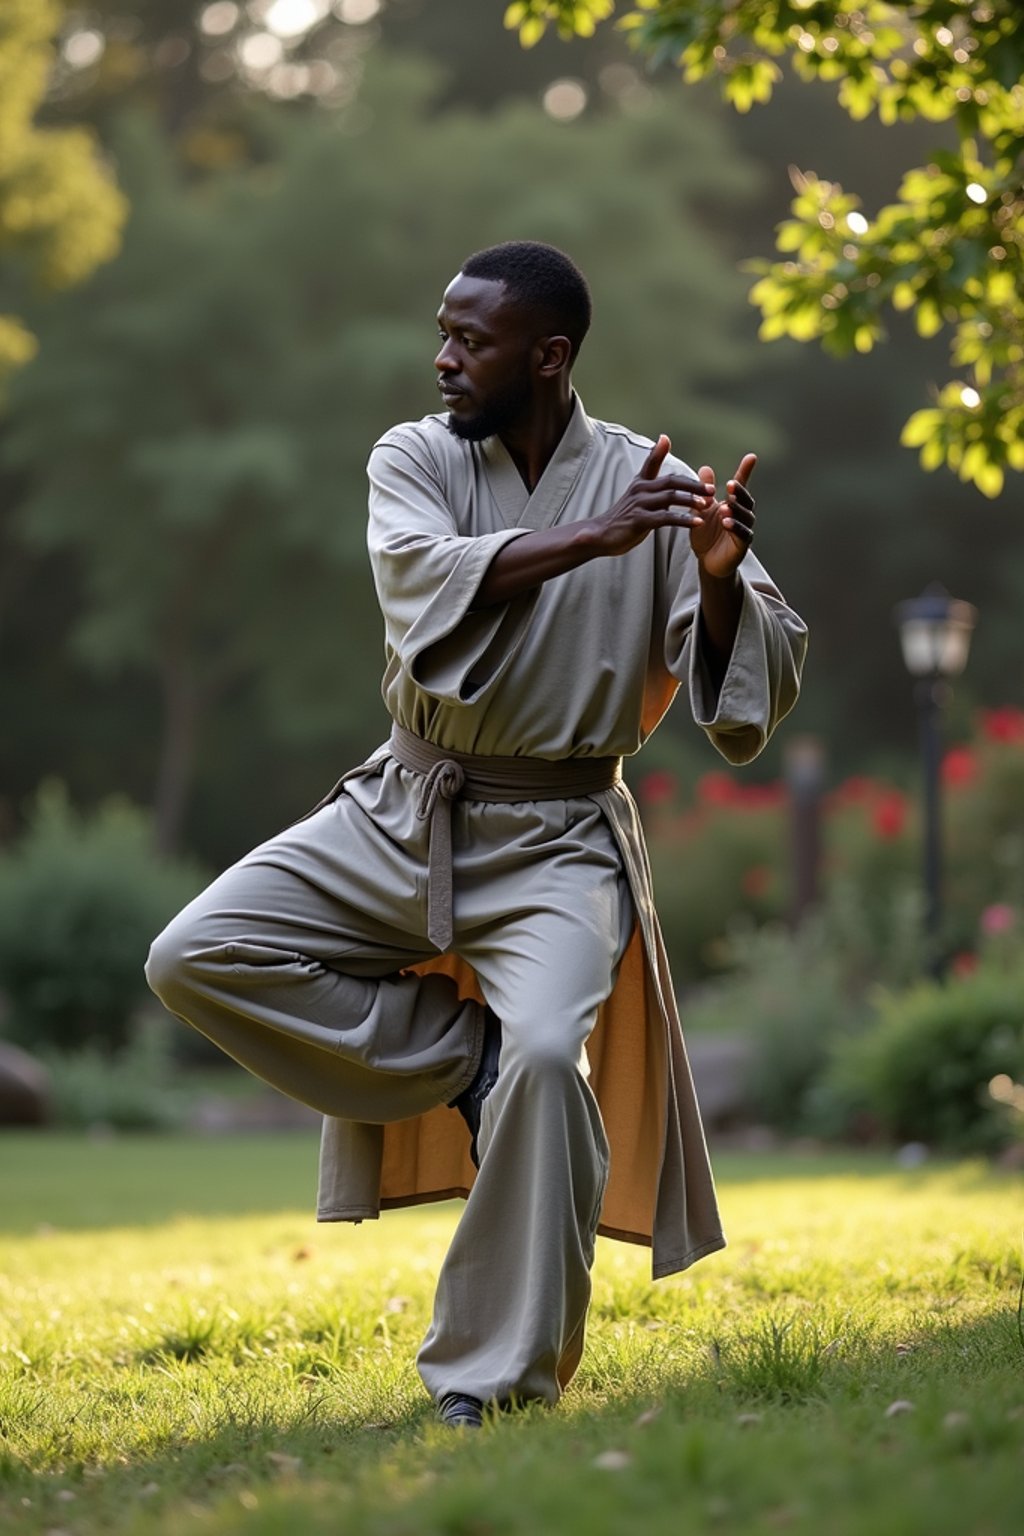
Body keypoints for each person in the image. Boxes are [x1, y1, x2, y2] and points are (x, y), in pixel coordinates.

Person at [146, 240, 807, 1429]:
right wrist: (597, 540)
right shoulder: (412, 455)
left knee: (552, 1059)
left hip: (560, 838)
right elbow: (419, 574)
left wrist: (711, 576)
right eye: (442, 332)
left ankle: (491, 1378)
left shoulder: (649, 483)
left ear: (547, 356)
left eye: (471, 340)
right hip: (407, 804)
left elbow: (746, 682)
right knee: (194, 955)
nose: (443, 358)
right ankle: (464, 1060)